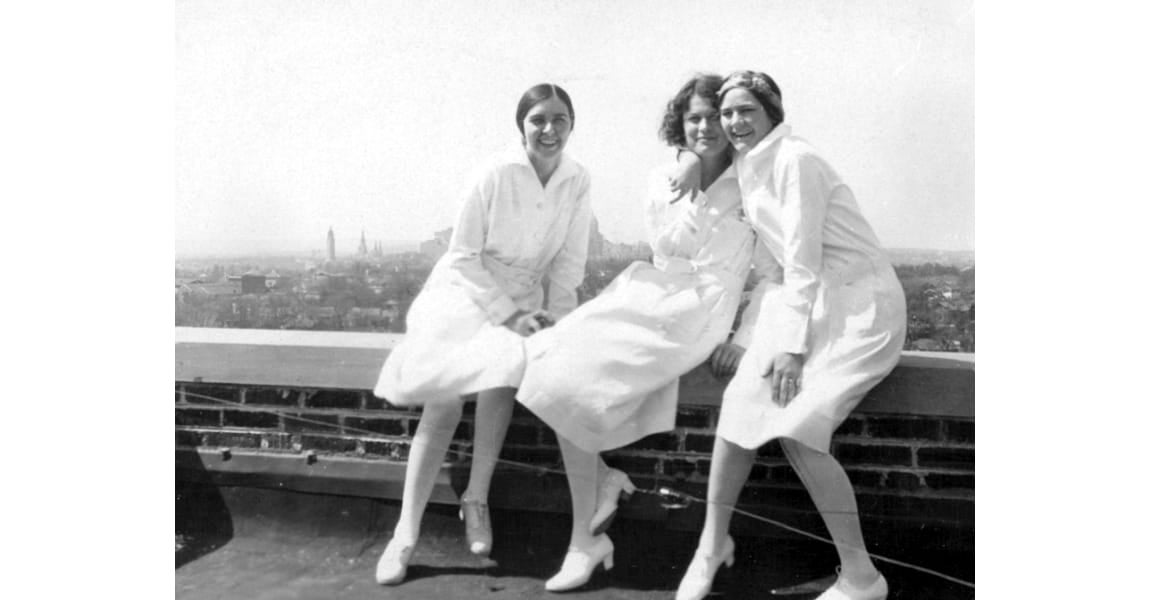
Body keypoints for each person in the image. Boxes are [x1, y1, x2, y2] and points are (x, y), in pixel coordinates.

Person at [515, 74, 764, 592]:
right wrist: (687, 180)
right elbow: (668, 244)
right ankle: (594, 513)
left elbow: (770, 274)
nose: (703, 127)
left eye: (711, 116)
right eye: (692, 118)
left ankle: (587, 535)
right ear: (681, 124)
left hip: (702, 308)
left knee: (578, 373)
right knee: (551, 358)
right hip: (653, 288)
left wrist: (745, 334)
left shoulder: (757, 181)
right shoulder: (663, 177)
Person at [674, 71, 907, 600]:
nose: (733, 122)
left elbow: (802, 262)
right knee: (740, 404)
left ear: (772, 113)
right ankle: (710, 547)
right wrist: (689, 160)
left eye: (745, 111)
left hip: (861, 311)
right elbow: (774, 269)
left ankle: (862, 577)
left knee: (799, 426)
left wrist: (791, 351)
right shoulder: (751, 164)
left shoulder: (796, 160)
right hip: (812, 305)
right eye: (726, 112)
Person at [372, 83, 594, 586]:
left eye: (560, 119)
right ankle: (404, 533)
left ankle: (476, 498)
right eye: (538, 119)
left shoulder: (578, 180)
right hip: (465, 293)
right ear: (522, 125)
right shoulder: (494, 172)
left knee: (503, 377)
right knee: (444, 401)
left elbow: (569, 263)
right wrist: (507, 314)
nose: (549, 130)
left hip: (525, 299)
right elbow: (463, 255)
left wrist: (556, 320)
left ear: (571, 125)